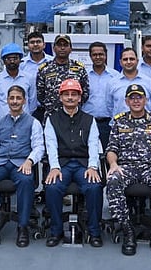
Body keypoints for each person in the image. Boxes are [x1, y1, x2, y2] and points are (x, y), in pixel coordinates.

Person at [106, 84, 151, 256]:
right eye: (132, 98)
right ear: (127, 101)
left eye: (139, 97)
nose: (136, 101)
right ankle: (128, 231)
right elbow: (111, 149)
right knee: (113, 180)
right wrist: (113, 164)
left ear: (145, 100)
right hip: (126, 167)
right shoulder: (119, 122)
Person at [0, 85, 45, 248]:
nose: (15, 101)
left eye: (18, 98)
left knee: (26, 180)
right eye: (12, 98)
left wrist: (29, 161)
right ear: (7, 101)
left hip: (21, 163)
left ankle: (22, 227)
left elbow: (39, 147)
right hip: (0, 162)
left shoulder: (33, 123)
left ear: (24, 101)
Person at [43, 79, 104, 247]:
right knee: (53, 187)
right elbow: (51, 146)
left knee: (94, 187)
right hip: (62, 165)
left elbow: (93, 145)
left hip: (83, 164)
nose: (70, 98)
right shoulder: (52, 119)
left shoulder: (89, 120)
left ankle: (94, 232)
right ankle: (56, 232)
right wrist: (54, 167)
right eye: (66, 94)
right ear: (60, 97)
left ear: (80, 98)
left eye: (74, 94)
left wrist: (93, 167)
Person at [35, 34, 90, 120]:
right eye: (59, 45)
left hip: (73, 116)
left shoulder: (79, 69)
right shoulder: (45, 69)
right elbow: (40, 95)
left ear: (71, 49)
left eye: (65, 45)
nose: (62, 48)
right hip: (51, 116)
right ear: (54, 48)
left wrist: (72, 104)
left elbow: (85, 93)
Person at [82, 41, 119, 147]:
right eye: (94, 55)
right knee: (87, 155)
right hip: (87, 122)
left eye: (101, 54)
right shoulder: (83, 75)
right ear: (90, 56)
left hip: (108, 123)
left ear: (106, 55)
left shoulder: (115, 76)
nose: (98, 57)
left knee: (109, 155)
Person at [107, 48, 151, 119]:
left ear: (137, 61)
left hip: (145, 126)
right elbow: (110, 107)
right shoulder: (112, 83)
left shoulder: (149, 82)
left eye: (131, 59)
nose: (128, 62)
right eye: (125, 59)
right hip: (121, 127)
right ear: (120, 62)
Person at [0, 42, 36, 120]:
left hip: (24, 121)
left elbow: (33, 102)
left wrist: (26, 117)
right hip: (4, 121)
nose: (12, 61)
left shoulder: (29, 78)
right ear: (3, 61)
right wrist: (1, 119)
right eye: (8, 59)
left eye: (15, 58)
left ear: (20, 60)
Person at [20, 31, 51, 119]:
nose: (35, 44)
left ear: (44, 45)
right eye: (32, 42)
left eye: (38, 42)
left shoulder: (52, 62)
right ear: (28, 45)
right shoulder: (22, 64)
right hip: (28, 110)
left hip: (50, 108)